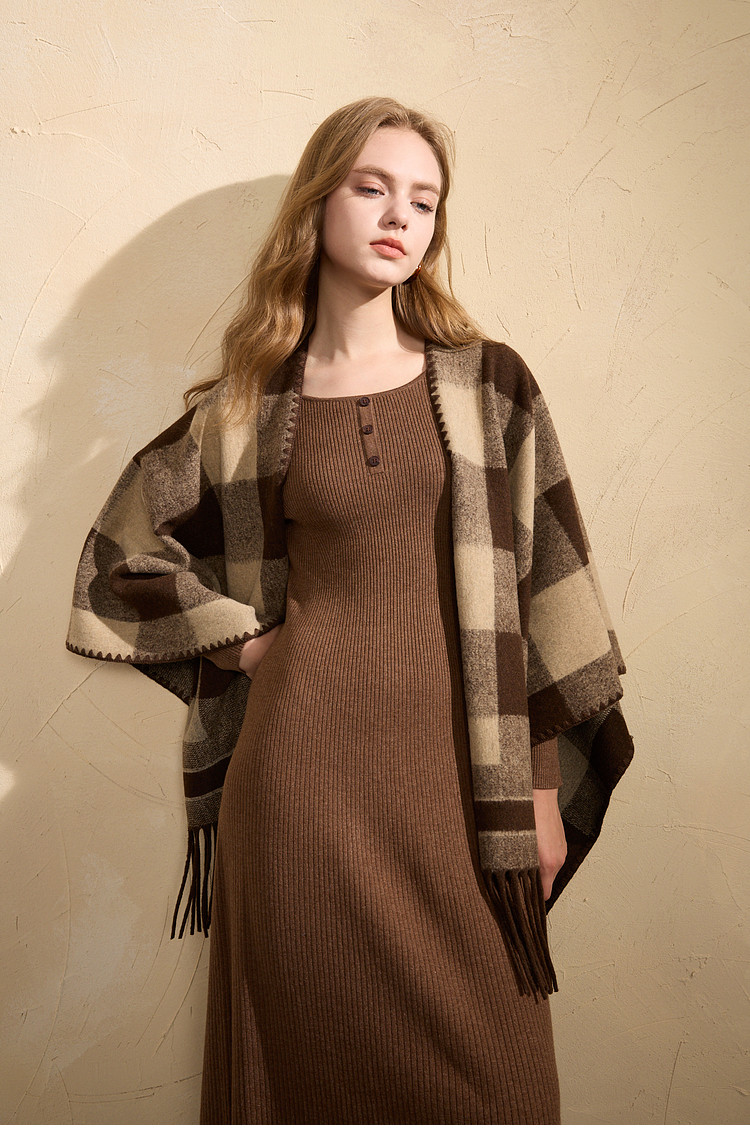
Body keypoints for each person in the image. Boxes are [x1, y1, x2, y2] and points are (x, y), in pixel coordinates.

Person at [66, 96, 634, 1124]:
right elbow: (121, 556)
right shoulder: (248, 408)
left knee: (500, 1083)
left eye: (424, 199)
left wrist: (543, 789)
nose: (399, 215)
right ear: (318, 203)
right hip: (298, 792)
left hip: (467, 789)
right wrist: (243, 648)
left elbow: (542, 598)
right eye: (373, 187)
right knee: (301, 1075)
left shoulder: (491, 385)